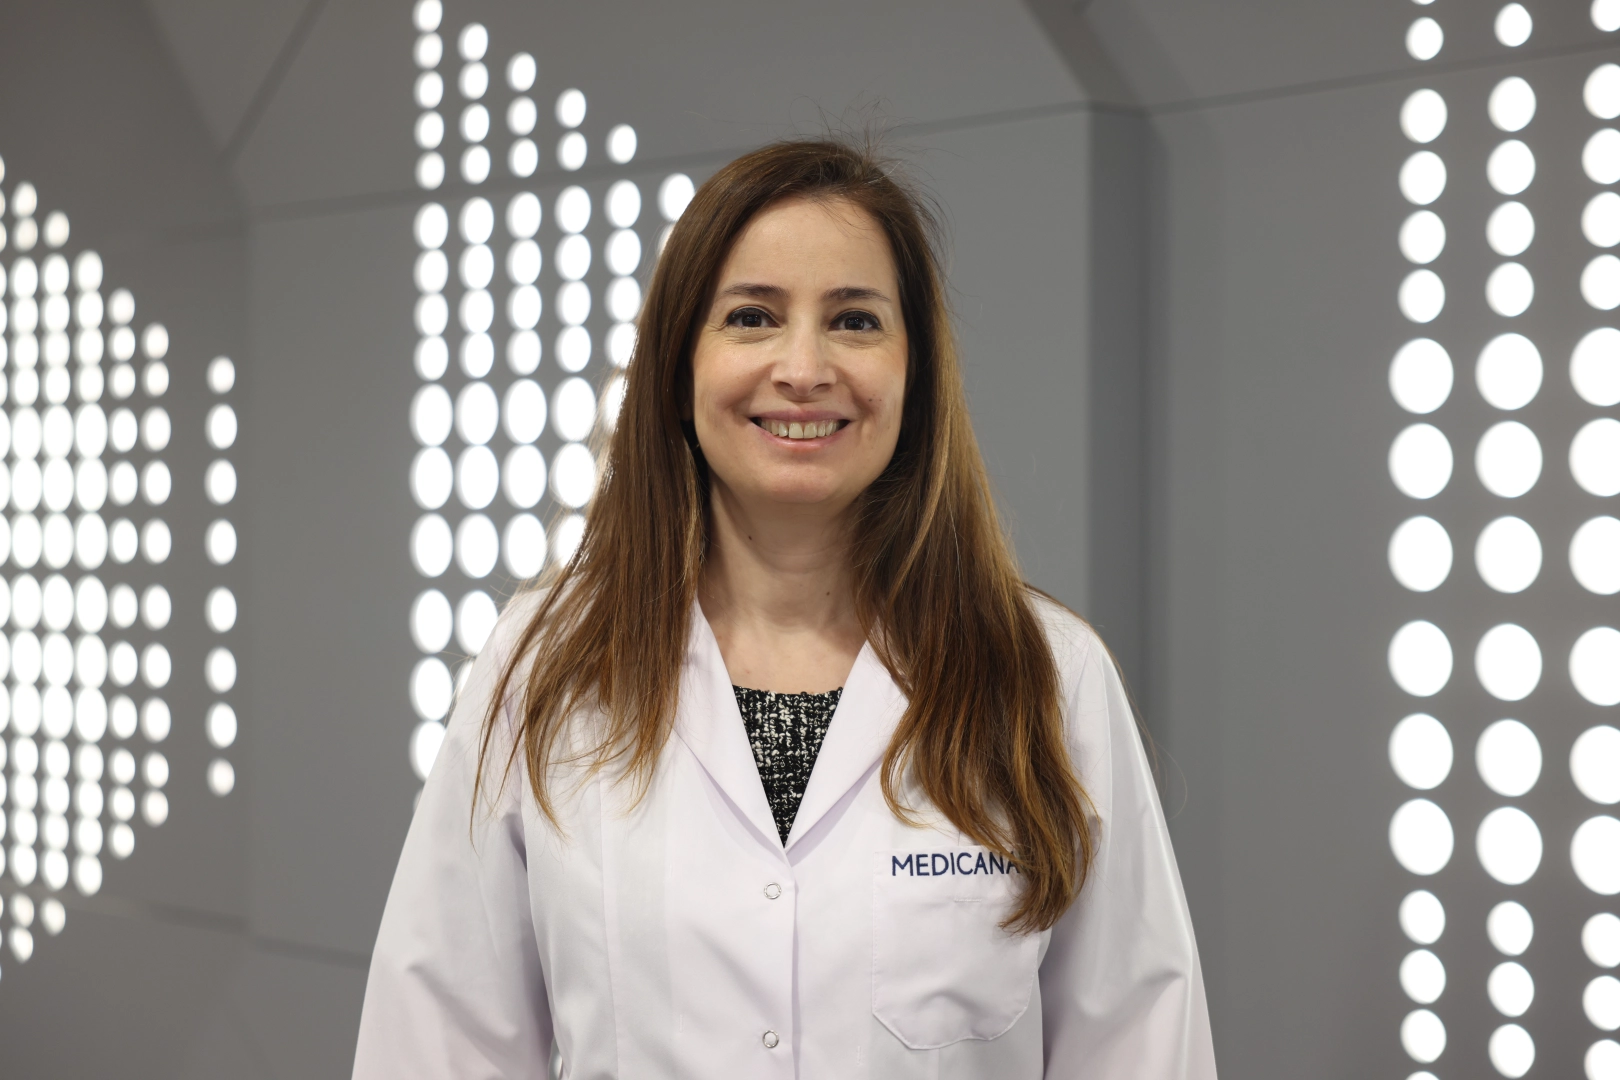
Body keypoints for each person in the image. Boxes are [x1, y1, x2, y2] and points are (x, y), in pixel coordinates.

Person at [352, 137, 1216, 1079]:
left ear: (916, 372)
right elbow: (438, 1042)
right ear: (678, 365)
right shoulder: (543, 663)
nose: (804, 368)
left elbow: (1140, 1047)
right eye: (752, 317)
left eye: (854, 321)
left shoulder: (1047, 672)